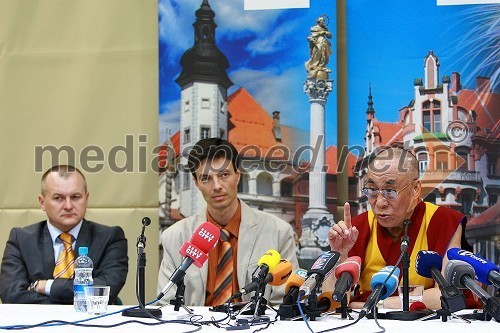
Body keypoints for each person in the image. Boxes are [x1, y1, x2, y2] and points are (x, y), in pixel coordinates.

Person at [323, 147, 478, 309]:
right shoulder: (358, 228)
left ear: (415, 189)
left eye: (390, 191)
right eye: (373, 190)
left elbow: (447, 294)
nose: (380, 202)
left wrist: (375, 305)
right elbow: (331, 301)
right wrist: (340, 254)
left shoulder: (443, 221)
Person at [157, 138, 298, 306]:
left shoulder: (279, 232)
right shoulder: (174, 237)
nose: (216, 186)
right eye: (205, 178)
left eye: (224, 175)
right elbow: (166, 307)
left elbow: (285, 303)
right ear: (196, 183)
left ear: (237, 176)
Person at [0, 165, 128, 304]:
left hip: (92, 324)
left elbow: (105, 289)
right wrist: (73, 300)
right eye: (58, 198)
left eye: (75, 197)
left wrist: (46, 286)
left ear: (86, 198)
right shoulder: (21, 239)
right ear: (42, 202)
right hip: (36, 325)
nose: (68, 206)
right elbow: (11, 296)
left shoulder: (110, 237)